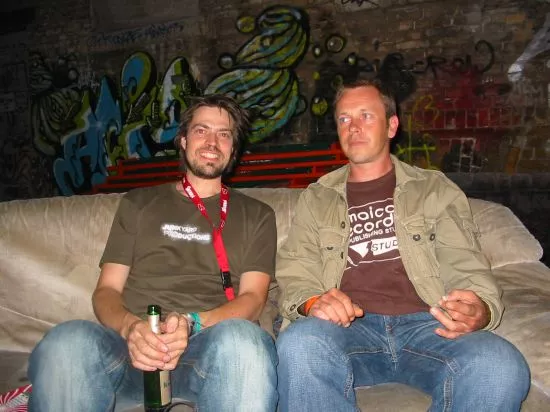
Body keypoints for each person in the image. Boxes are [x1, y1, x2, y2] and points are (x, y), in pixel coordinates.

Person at [275, 79, 530, 412]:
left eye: (366, 115)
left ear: (392, 126)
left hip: (428, 326)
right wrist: (313, 303)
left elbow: (464, 262)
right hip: (347, 331)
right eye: (344, 119)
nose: (353, 127)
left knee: (500, 365)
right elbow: (296, 270)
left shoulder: (434, 189)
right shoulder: (317, 197)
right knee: (299, 344)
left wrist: (479, 309)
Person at [28, 94, 278, 412]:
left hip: (209, 347)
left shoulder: (257, 214)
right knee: (66, 340)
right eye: (201, 130)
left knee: (246, 341)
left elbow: (253, 298)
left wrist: (192, 323)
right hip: (131, 350)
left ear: (233, 148)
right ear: (183, 140)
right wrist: (131, 328)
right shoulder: (138, 203)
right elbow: (106, 290)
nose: (212, 142)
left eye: (224, 134)